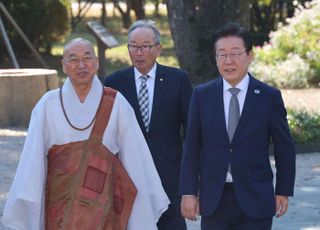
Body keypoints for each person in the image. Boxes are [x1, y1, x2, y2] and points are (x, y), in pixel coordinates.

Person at [2, 38, 170, 230]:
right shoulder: (47, 105)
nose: (81, 65)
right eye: (73, 59)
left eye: (87, 58)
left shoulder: (115, 103)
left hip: (103, 207)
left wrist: (141, 214)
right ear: (64, 66)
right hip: (59, 207)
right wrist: (28, 208)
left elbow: (135, 160)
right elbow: (32, 164)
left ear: (96, 63)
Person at [179, 23, 296, 230]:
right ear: (215, 58)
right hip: (214, 198)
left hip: (256, 197)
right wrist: (188, 193)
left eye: (235, 53)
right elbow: (191, 148)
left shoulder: (268, 97)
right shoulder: (202, 95)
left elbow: (284, 148)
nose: (228, 61)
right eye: (221, 54)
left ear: (250, 56)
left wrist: (283, 191)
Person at [104, 20, 193, 230]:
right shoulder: (115, 82)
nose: (139, 52)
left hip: (169, 174)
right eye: (133, 46)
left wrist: (191, 177)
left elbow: (191, 130)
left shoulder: (178, 79)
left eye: (145, 46)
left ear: (158, 49)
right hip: (128, 173)